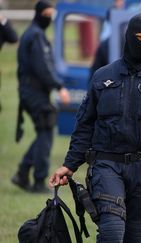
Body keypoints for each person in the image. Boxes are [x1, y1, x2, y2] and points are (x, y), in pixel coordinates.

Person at [49, 12, 141, 242]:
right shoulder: (102, 77)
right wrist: (70, 164)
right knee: (112, 232)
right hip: (107, 165)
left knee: (135, 236)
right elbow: (85, 125)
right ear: (128, 37)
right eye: (138, 36)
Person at [11, 0, 71, 193]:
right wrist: (59, 86)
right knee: (45, 132)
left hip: (31, 92)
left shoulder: (32, 33)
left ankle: (22, 171)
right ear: (38, 14)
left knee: (43, 132)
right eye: (46, 14)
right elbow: (43, 67)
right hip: (35, 93)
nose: (49, 18)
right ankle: (38, 181)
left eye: (50, 14)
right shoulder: (36, 36)